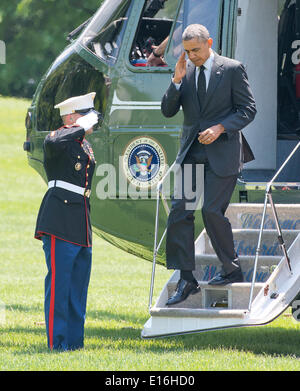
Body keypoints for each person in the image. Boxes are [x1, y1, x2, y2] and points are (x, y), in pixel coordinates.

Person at [161, 24, 257, 306]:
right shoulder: (184, 71)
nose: (192, 57)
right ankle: (186, 278)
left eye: (197, 50)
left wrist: (220, 128)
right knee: (179, 210)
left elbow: (248, 109)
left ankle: (232, 269)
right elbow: (168, 111)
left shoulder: (231, 69)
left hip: (224, 153)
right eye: (188, 52)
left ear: (209, 43)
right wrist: (176, 82)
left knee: (211, 210)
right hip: (192, 153)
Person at [34, 92, 100, 350]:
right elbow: (55, 141)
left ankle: (74, 343)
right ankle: (57, 343)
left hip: (80, 218)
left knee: (78, 286)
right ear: (72, 117)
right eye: (86, 117)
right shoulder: (57, 138)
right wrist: (80, 125)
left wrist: (83, 126)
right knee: (60, 285)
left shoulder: (84, 144)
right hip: (59, 218)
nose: (91, 123)